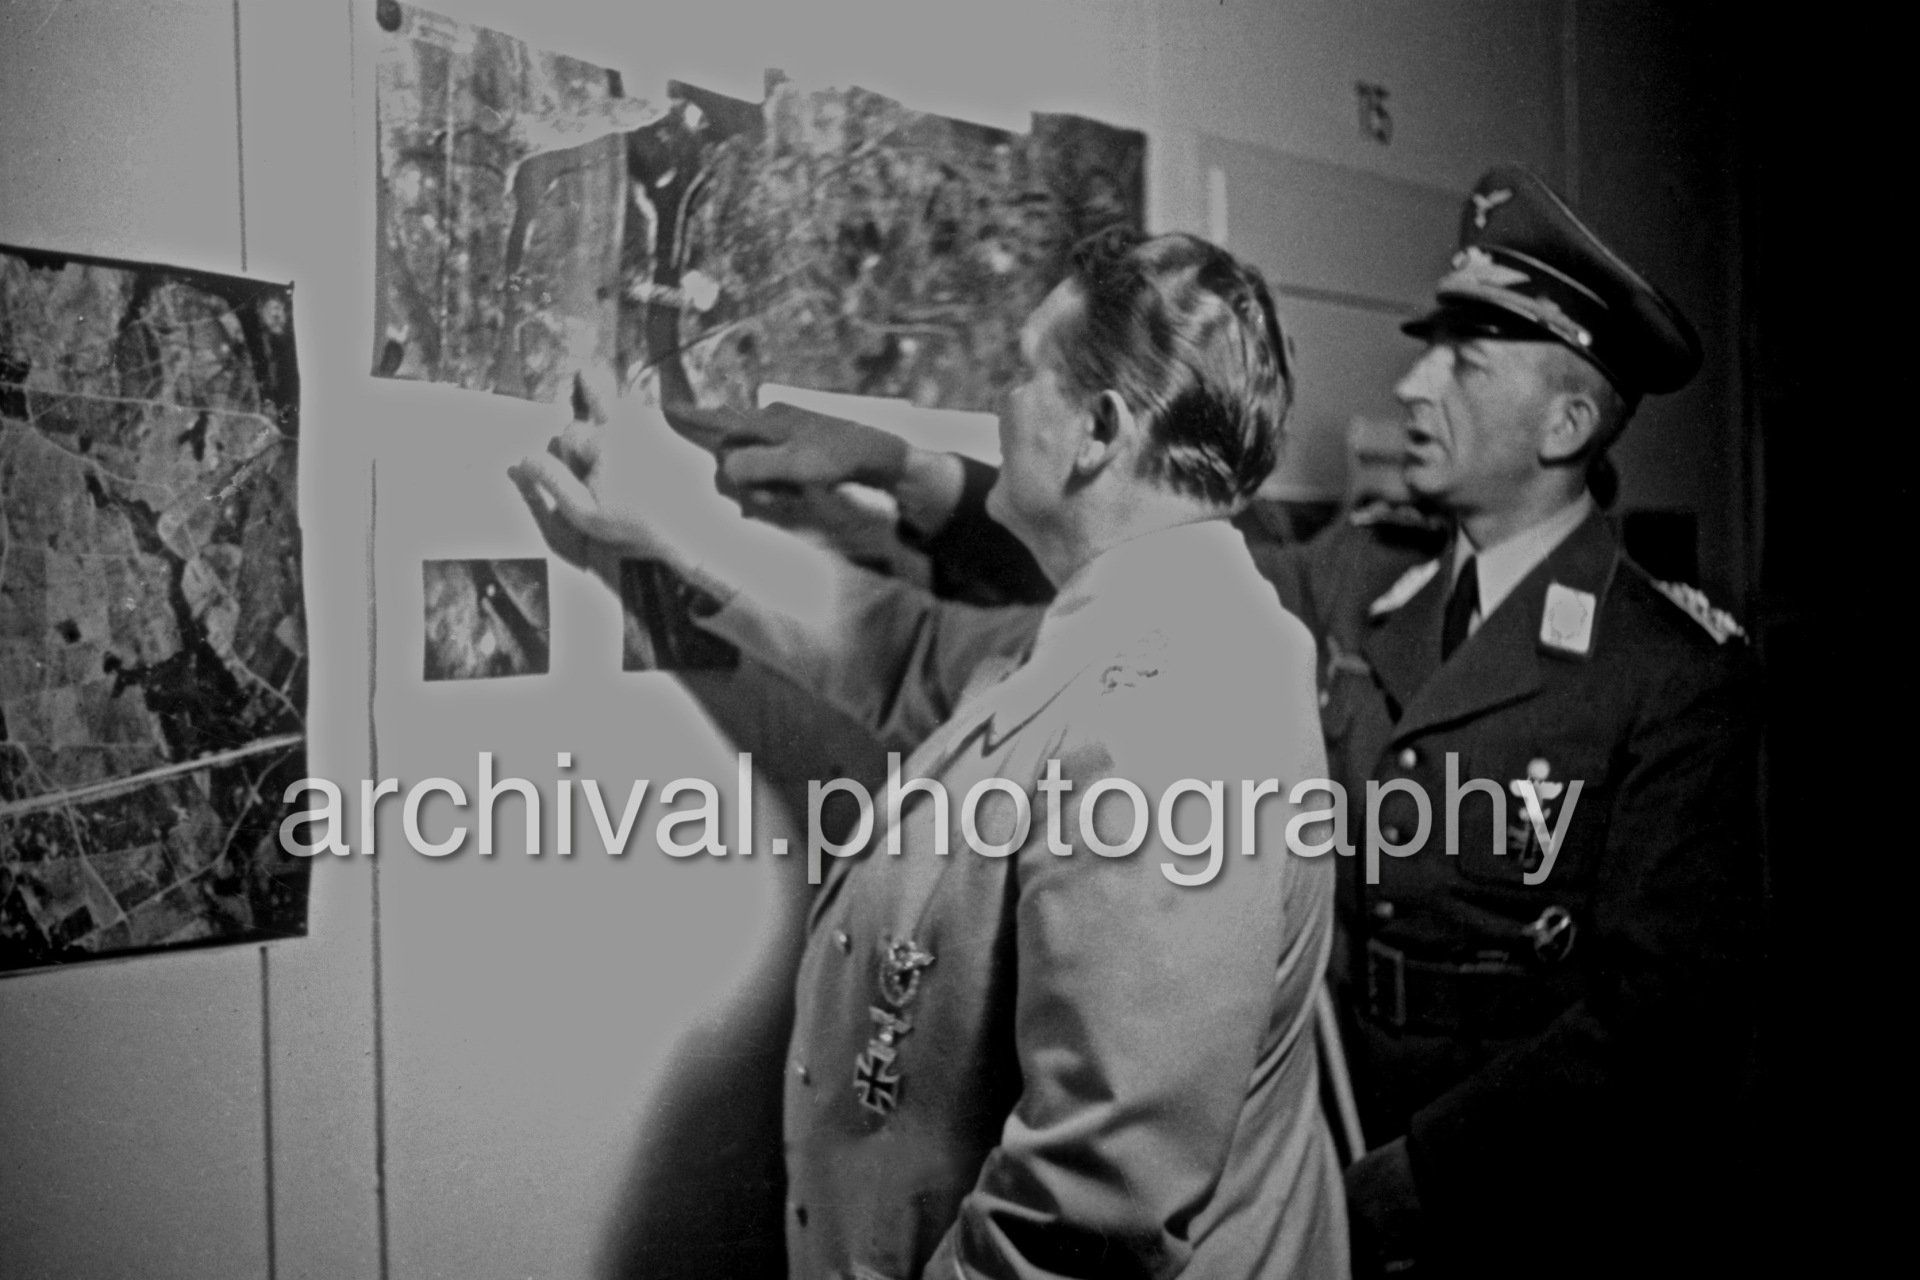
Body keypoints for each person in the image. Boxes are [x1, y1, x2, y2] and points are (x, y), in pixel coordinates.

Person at [714, 168, 1762, 1277]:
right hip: (1310, 1177)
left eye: (1463, 360)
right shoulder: (1361, 578)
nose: (1411, 385)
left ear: (1567, 422)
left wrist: (1416, 1182)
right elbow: (1136, 523)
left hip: (1519, 1204)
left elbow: (1664, 1016)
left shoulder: (1670, 671)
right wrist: (903, 470)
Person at [512, 231, 1349, 1278]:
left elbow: (1087, 1210)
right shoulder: (1137, 625)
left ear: (1098, 430)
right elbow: (907, 651)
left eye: (1024, 370)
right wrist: (677, 524)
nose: (1000, 400)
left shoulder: (1176, 712)